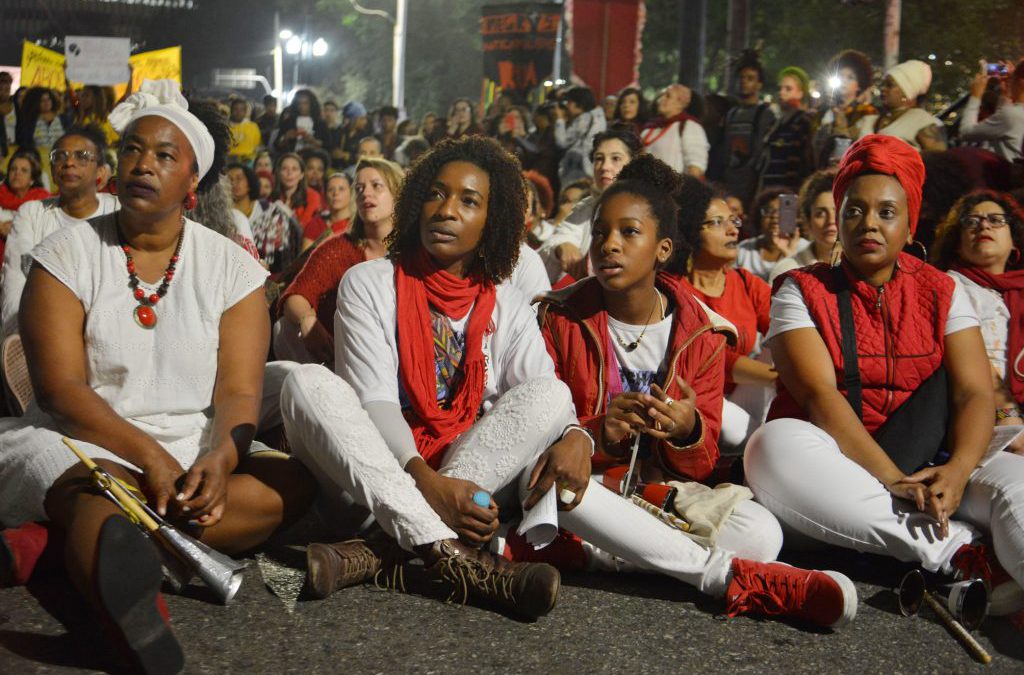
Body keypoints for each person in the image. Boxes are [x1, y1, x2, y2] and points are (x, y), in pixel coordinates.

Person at [0, 79, 315, 671]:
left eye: (165, 156)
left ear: (192, 183)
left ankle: (60, 549)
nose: (143, 163)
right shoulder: (64, 254)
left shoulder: (233, 269)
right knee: (96, 489)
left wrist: (220, 460)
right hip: (81, 444)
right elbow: (60, 392)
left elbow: (241, 392)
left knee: (295, 484)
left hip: (186, 448)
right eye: (134, 151)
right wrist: (147, 458)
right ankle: (132, 615)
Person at [533, 153, 857, 627]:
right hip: (587, 484)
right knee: (556, 491)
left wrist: (687, 430)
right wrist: (599, 432)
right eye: (600, 232)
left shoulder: (704, 332)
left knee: (762, 534)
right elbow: (538, 428)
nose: (609, 246)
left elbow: (702, 463)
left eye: (628, 233)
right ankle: (727, 577)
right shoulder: (557, 316)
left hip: (657, 491)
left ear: (663, 249)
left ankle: (581, 552)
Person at [280, 136, 570, 620]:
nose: (446, 210)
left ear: (492, 221)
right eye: (436, 194)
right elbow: (374, 405)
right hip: (366, 483)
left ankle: (378, 552)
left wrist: (578, 432)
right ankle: (454, 558)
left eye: (468, 201)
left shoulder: (509, 302)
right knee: (305, 384)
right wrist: (427, 485)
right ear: (415, 203)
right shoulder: (369, 282)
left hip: (464, 476)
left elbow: (541, 393)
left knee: (551, 393)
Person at [745, 134, 1024, 618]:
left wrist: (957, 471)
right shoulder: (799, 290)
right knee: (771, 445)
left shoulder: (943, 289)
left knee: (1017, 482)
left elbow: (976, 392)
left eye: (886, 213)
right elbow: (819, 398)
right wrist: (894, 479)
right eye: (853, 210)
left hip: (933, 464)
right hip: (835, 476)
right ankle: (959, 552)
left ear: (909, 222)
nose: (868, 223)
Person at [675, 179, 777, 449]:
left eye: (734, 221)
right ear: (691, 230)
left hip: (744, 392)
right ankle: (765, 448)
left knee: (785, 341)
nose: (733, 231)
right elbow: (717, 357)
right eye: (718, 222)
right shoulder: (676, 289)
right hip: (697, 399)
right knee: (758, 439)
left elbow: (784, 332)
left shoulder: (745, 282)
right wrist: (780, 378)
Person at [275, 158, 402, 365]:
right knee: (284, 328)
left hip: (395, 354)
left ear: (397, 195)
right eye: (359, 188)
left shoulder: (414, 249)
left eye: (376, 186)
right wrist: (308, 320)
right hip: (339, 355)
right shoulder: (339, 248)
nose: (365, 193)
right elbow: (295, 297)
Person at [931, 190, 1024, 455]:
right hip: (984, 420)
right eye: (971, 222)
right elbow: (975, 359)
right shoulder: (951, 285)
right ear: (957, 243)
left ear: (1014, 240)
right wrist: (1011, 421)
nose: (984, 225)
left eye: (996, 220)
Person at [2, 129, 118, 339]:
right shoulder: (32, 213)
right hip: (43, 334)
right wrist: (19, 338)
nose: (69, 162)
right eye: (60, 156)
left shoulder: (117, 210)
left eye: (82, 156)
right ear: (54, 172)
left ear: (101, 172)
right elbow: (15, 281)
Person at [539, 125, 642, 283]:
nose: (605, 167)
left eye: (616, 159)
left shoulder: (646, 209)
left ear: (633, 164)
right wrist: (561, 246)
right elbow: (562, 236)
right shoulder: (587, 207)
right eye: (599, 159)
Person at [854, 60, 946, 152]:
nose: (883, 89)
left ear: (907, 92)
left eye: (889, 85)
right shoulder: (870, 119)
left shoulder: (922, 121)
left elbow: (938, 159)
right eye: (883, 84)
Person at [723, 52, 776, 210]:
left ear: (759, 84)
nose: (744, 82)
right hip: (730, 185)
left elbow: (762, 154)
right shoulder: (731, 114)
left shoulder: (764, 113)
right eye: (741, 78)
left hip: (750, 187)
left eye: (750, 78)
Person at [769, 170, 841, 282]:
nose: (831, 220)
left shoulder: (865, 266)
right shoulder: (787, 270)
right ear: (808, 221)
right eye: (820, 213)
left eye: (837, 212)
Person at [814, 50, 877, 168]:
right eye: (840, 76)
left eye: (850, 77)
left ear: (859, 86)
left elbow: (866, 149)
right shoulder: (825, 112)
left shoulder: (867, 113)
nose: (843, 80)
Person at [758, 67, 814, 194]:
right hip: (768, 192)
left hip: (789, 194)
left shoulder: (803, 122)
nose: (781, 92)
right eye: (780, 88)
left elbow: (807, 162)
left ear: (800, 93)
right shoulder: (774, 124)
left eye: (788, 89)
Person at [958, 60, 1024, 164]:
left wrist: (975, 96)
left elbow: (966, 133)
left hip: (1003, 178)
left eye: (1014, 78)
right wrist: (1005, 94)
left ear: (1021, 82)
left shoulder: (1013, 115)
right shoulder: (1015, 114)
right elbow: (1004, 124)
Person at [736, 188, 806, 281]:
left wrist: (788, 253)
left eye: (782, 211)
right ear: (759, 217)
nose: (775, 216)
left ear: (795, 217)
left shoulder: (806, 248)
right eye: (768, 211)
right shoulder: (744, 249)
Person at [641, 84, 708, 178]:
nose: (661, 99)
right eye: (662, 95)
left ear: (682, 103)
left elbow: (696, 167)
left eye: (668, 96)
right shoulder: (650, 128)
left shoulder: (690, 127)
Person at [554, 85, 607, 185]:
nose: (567, 106)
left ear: (578, 103)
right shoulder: (598, 116)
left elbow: (562, 142)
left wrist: (560, 120)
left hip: (579, 169)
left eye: (569, 102)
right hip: (589, 168)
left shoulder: (584, 118)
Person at [301, 172, 354, 250]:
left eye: (341, 189)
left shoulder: (358, 225)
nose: (336, 193)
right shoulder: (316, 224)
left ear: (352, 193)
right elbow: (305, 259)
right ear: (325, 195)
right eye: (331, 189)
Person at [274, 89, 328, 155]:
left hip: (314, 159)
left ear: (312, 104)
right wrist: (286, 137)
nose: (302, 106)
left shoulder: (320, 123)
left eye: (305, 103)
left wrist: (313, 141)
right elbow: (276, 145)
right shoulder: (289, 122)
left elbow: (328, 145)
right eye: (299, 103)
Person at [226, 99, 261, 165]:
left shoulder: (253, 126)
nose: (238, 112)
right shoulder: (225, 127)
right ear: (231, 110)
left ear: (245, 112)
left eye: (241, 110)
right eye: (235, 109)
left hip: (249, 162)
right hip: (229, 161)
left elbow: (257, 146)